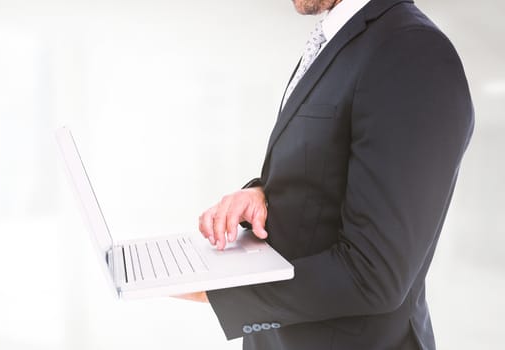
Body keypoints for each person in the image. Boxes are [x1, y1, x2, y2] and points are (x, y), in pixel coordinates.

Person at [175, 0, 474, 349]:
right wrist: (261, 195)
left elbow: (374, 274)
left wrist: (218, 291)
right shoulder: (342, 40)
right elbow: (324, 169)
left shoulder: (413, 52)